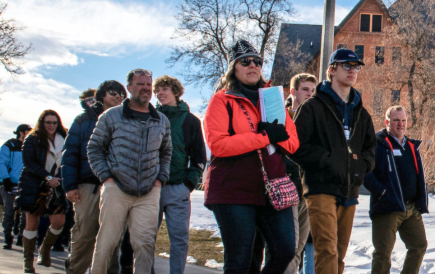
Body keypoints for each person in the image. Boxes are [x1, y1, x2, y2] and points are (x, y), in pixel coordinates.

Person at [203, 39, 300, 274]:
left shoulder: (273, 99)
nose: (252, 66)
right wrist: (264, 137)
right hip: (233, 190)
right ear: (233, 68)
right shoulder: (222, 100)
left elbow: (293, 143)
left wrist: (276, 136)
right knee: (241, 259)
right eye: (245, 62)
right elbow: (218, 145)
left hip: (271, 187)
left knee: (285, 249)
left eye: (257, 61)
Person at [292, 48, 377, 274]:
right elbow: (296, 146)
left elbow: (370, 148)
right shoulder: (312, 107)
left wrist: (362, 166)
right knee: (327, 250)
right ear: (331, 70)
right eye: (346, 66)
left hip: (349, 190)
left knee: (339, 253)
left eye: (356, 66)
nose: (352, 71)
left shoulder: (361, 112)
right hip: (320, 187)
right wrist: (328, 160)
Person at [88, 69, 173, 274]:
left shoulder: (161, 120)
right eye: (140, 84)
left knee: (144, 245)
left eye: (148, 85)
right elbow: (94, 148)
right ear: (129, 88)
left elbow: (166, 152)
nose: (146, 88)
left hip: (148, 192)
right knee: (107, 243)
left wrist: (160, 180)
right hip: (116, 187)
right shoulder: (111, 116)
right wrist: (106, 178)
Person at [63, 80, 126, 274]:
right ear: (101, 96)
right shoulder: (84, 119)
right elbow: (70, 152)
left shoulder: (126, 118)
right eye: (113, 92)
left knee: (113, 237)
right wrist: (70, 185)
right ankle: (75, 270)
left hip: (116, 187)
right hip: (87, 185)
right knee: (85, 233)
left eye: (121, 93)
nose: (118, 96)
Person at [364, 106, 428, 274]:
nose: (400, 124)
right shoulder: (378, 144)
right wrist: (382, 192)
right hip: (386, 208)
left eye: (403, 120)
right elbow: (366, 172)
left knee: (419, 245)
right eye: (396, 120)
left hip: (411, 208)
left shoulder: (411, 146)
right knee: (383, 254)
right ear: (387, 122)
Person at [153, 74, 207, 274]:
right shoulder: (151, 116)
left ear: (175, 92)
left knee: (179, 238)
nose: (160, 93)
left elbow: (199, 155)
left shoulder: (191, 120)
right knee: (146, 238)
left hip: (178, 188)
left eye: (164, 89)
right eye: (157, 90)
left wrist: (189, 183)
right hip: (151, 189)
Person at [17, 110, 69, 273]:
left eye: (54, 122)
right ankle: (28, 261)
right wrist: (47, 177)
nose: (52, 125)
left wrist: (60, 179)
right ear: (42, 123)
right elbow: (28, 162)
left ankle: (45, 248)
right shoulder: (32, 139)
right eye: (48, 122)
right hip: (35, 184)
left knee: (59, 222)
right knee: (32, 223)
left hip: (57, 186)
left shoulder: (65, 138)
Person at [285, 73, 317, 274]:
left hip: (308, 191)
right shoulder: (282, 116)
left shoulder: (317, 122)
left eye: (313, 91)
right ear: (293, 91)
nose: (309, 94)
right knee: (287, 247)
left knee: (299, 249)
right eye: (305, 89)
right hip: (285, 190)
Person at [0, 124, 32, 248]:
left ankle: (21, 237)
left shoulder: (30, 147)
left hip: (25, 184)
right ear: (21, 133)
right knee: (9, 211)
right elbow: (1, 163)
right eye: (28, 132)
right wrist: (5, 179)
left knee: (25, 213)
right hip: (9, 183)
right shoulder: (9, 146)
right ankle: (7, 237)